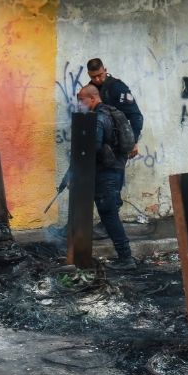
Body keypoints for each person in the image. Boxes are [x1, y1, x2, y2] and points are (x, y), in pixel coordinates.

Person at [77, 84, 136, 270]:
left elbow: (93, 147)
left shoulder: (98, 118)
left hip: (106, 173)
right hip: (116, 169)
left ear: (93, 98)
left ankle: (126, 258)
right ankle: (125, 257)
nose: (79, 104)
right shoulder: (112, 112)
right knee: (109, 212)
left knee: (109, 214)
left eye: (81, 100)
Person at [86, 58, 143, 158]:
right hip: (97, 147)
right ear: (88, 74)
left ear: (105, 70)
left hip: (117, 146)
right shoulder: (88, 90)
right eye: (93, 77)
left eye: (100, 75)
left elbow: (135, 115)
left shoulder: (117, 87)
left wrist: (133, 141)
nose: (97, 79)